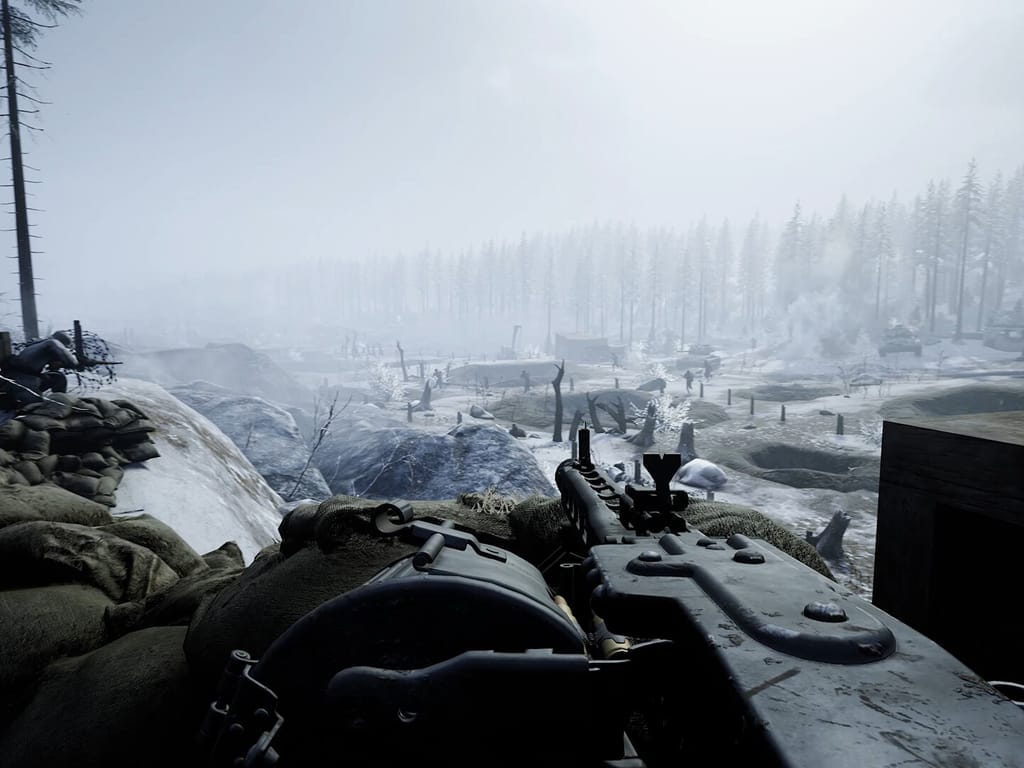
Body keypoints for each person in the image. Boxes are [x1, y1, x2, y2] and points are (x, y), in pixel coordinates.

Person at [0, 332, 80, 408]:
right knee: (34, 408)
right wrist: (78, 363)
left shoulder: (39, 346)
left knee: (58, 377)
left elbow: (52, 365)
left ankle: (59, 400)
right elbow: (72, 362)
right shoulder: (51, 343)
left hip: (26, 377)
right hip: (23, 381)